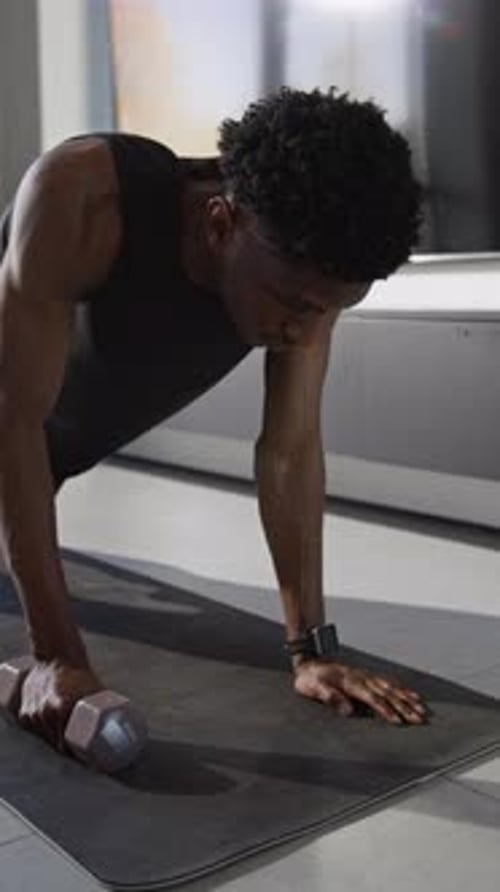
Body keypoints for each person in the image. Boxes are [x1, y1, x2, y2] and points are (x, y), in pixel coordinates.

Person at [0, 86, 426, 754]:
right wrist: (54, 653)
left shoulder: (305, 262)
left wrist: (310, 650)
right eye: (294, 304)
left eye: (327, 309)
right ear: (221, 225)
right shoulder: (83, 197)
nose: (303, 330)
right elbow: (12, 427)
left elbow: (289, 447)